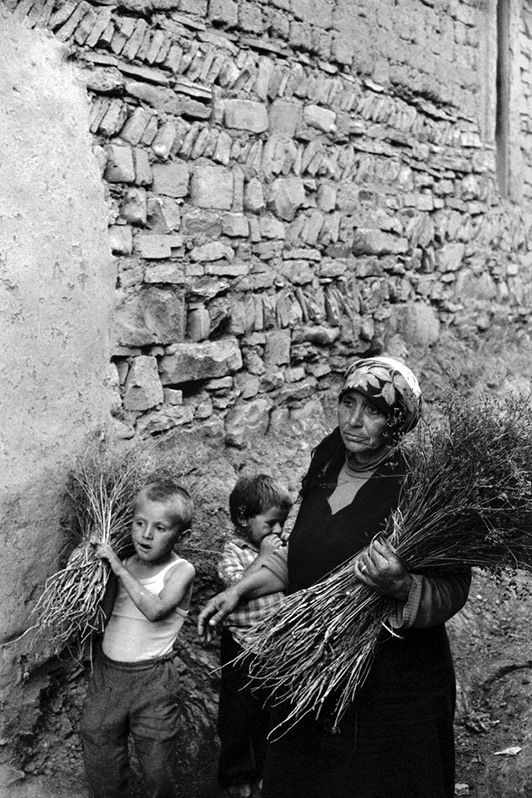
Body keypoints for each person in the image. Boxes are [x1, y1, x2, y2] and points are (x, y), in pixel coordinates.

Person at [198, 357, 471, 798]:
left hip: (392, 687)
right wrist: (239, 591)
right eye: (348, 402)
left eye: (374, 410)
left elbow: (455, 586)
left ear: (397, 420)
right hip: (315, 667)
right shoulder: (326, 462)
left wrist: (401, 586)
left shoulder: (422, 484)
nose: (354, 421)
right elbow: (303, 554)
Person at [80, 478, 195, 798]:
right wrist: (91, 580)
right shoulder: (126, 563)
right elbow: (104, 616)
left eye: (160, 528)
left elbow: (156, 610)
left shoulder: (181, 570)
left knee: (156, 759)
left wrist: (116, 567)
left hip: (153, 680)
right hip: (109, 675)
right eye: (139, 523)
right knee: (99, 745)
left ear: (180, 536)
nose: (146, 534)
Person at [216, 474, 292, 798]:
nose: (278, 531)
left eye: (282, 524)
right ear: (243, 518)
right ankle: (236, 782)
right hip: (242, 649)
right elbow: (236, 590)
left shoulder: (282, 549)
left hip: (275, 649)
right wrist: (263, 558)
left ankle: (265, 777)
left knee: (269, 716)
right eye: (272, 523)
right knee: (238, 719)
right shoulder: (231, 551)